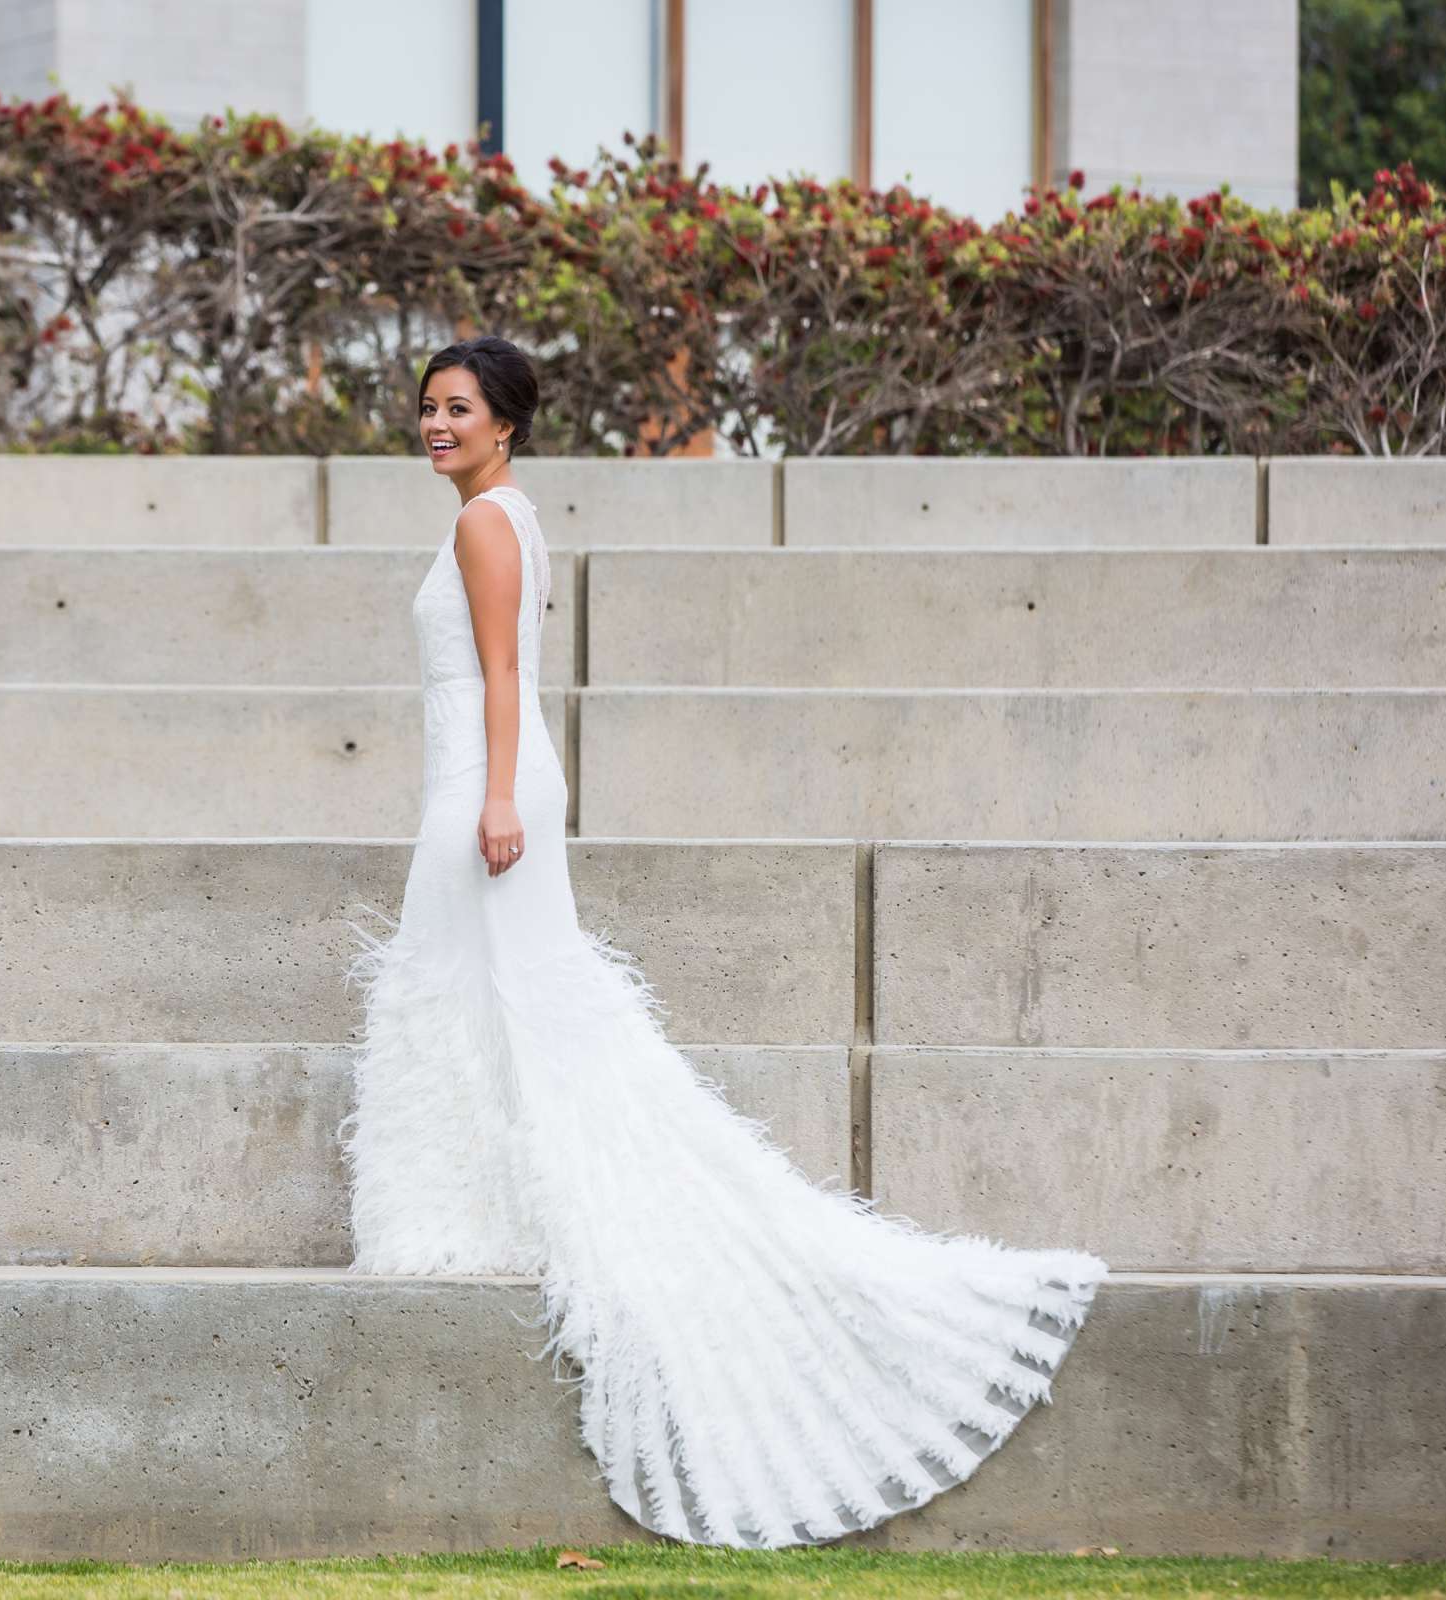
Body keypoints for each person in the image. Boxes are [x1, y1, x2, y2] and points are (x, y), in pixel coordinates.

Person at [339, 334, 1110, 1549]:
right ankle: (494, 1212)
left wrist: (492, 802)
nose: (434, 425)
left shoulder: (489, 526)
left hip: (483, 787)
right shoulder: (508, 516)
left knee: (498, 998)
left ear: (505, 424)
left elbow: (499, 673)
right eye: (425, 408)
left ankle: (516, 1214)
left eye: (456, 409)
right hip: (483, 781)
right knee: (486, 1001)